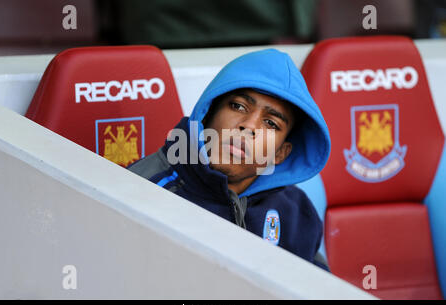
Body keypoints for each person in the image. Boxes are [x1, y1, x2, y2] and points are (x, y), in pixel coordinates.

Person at [128, 49, 331, 270]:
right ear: (207, 114)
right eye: (238, 106)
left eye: (271, 123)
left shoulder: (296, 211)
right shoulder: (144, 190)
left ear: (281, 153)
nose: (249, 126)